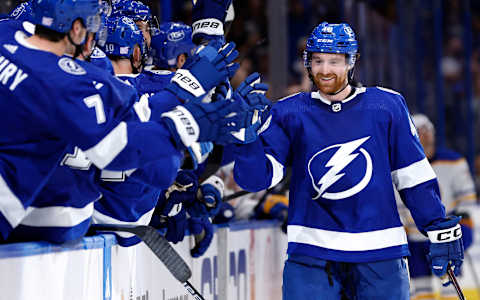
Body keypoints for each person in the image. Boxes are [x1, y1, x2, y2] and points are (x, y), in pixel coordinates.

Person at [232, 22, 464, 299]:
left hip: (380, 253)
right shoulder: (288, 112)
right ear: (307, 62)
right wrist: (244, 141)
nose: (325, 70)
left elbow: (413, 176)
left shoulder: (387, 106)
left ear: (351, 62)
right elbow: (257, 179)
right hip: (311, 255)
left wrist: (437, 226)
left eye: (334, 61)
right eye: (317, 60)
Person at [0, 0, 250, 241]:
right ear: (76, 28)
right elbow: (123, 151)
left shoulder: (6, 33)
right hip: (36, 216)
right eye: (92, 27)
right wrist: (186, 125)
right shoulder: (69, 82)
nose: (94, 42)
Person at [400, 114, 477, 300]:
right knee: (421, 290)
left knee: (450, 287)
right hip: (414, 238)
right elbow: (396, 205)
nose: (425, 135)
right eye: (420, 131)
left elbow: (466, 201)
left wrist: (462, 229)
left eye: (428, 130)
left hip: (445, 236)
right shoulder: (400, 166)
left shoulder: (454, 161)